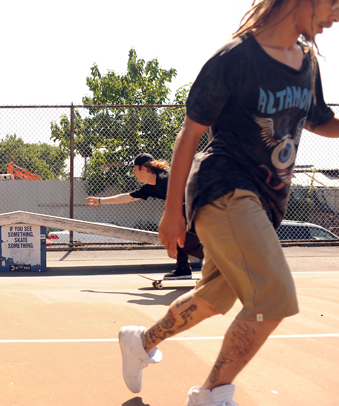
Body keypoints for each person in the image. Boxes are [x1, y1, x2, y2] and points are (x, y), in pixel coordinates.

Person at [118, 1, 339, 405]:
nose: (336, 15)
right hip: (224, 187)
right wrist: (171, 213)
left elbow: (319, 119)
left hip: (264, 200)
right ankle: (213, 394)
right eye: (332, 3)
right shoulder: (235, 58)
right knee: (274, 297)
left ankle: (140, 342)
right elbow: (189, 133)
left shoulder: (307, 63)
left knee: (213, 299)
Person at [85, 152, 204, 279]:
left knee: (187, 243)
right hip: (189, 208)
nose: (134, 173)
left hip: (202, 205)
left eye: (135, 169)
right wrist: (99, 200)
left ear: (144, 168)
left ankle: (222, 258)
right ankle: (183, 268)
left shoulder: (166, 178)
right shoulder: (151, 187)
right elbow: (128, 197)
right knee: (180, 236)